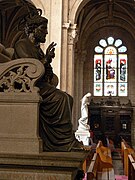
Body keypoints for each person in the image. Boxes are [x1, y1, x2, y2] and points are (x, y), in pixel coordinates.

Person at [13, 9, 90, 151]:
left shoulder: (37, 49)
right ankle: (63, 142)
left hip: (38, 85)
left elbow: (42, 70)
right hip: (27, 86)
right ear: (33, 29)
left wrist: (47, 62)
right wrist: (46, 59)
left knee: (68, 98)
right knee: (61, 98)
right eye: (43, 29)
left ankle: (63, 139)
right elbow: (29, 69)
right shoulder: (22, 45)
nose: (46, 33)